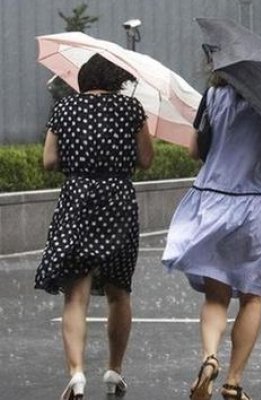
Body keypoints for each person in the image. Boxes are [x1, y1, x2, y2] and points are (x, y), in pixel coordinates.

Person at [161, 70, 261, 400]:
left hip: (210, 200)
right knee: (252, 296)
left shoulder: (212, 96)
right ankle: (233, 382)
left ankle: (209, 357)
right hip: (252, 205)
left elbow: (195, 150)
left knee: (215, 295)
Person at [34, 53, 154, 400]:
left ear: (84, 79)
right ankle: (114, 370)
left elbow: (49, 160)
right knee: (119, 292)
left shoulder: (65, 109)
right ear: (114, 79)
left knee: (76, 295)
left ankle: (76, 373)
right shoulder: (131, 110)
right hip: (117, 200)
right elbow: (146, 160)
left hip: (77, 199)